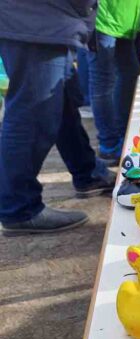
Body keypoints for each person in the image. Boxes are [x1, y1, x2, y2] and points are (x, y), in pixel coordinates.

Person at [0, 0, 116, 235]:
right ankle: (19, 208)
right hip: (35, 19)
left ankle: (88, 173)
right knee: (33, 113)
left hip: (51, 17)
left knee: (63, 100)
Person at [88, 0, 140, 165]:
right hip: (104, 20)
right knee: (103, 82)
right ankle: (108, 143)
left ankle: (123, 131)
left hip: (125, 22)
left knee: (130, 74)